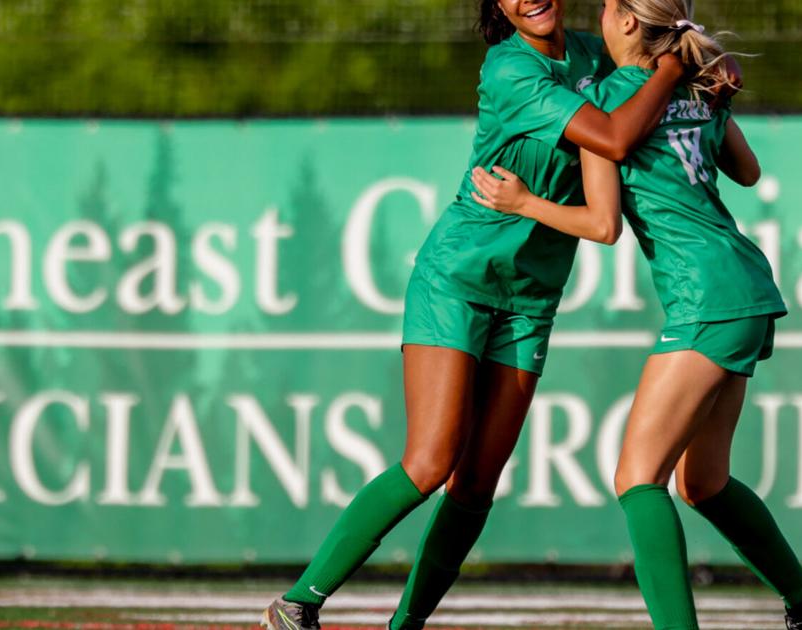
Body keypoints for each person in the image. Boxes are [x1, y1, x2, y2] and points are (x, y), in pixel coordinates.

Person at [261, 0, 689, 627]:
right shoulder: (508, 71)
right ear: (497, 7)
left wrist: (708, 60)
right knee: (432, 461)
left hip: (531, 298)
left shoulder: (596, 54)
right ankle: (297, 604)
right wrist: (674, 71)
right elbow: (617, 136)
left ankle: (404, 627)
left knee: (477, 483)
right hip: (458, 281)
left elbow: (668, 48)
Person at [470, 1, 802, 627]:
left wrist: (524, 202)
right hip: (746, 288)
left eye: (610, 4)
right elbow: (748, 173)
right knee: (704, 484)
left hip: (704, 298)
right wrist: (704, 91)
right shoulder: (700, 88)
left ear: (623, 24)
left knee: (638, 479)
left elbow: (601, 224)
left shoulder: (606, 103)